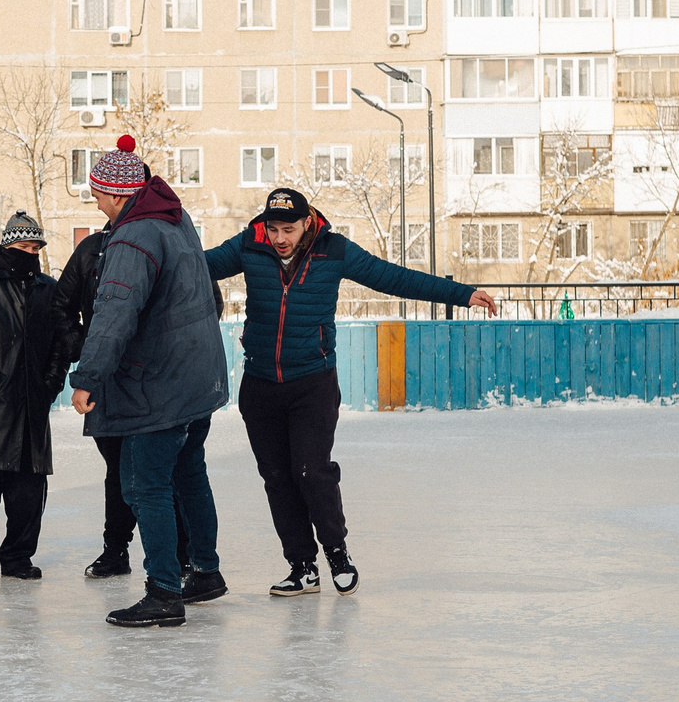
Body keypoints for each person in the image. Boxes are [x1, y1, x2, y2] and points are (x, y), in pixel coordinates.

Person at [204, 187, 498, 598]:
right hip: (260, 384)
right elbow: (197, 266)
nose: (280, 238)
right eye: (273, 229)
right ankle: (302, 567)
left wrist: (460, 293)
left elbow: (393, 277)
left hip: (313, 382)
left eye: (288, 229)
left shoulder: (334, 250)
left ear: (308, 222)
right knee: (277, 477)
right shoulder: (249, 245)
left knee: (311, 470)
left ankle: (337, 554)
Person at [68, 137, 230, 629]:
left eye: (97, 196)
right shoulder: (177, 223)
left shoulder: (133, 238)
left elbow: (113, 314)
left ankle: (163, 590)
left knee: (145, 484)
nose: (96, 205)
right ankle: (205, 570)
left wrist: (87, 377)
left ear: (117, 195)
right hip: (197, 378)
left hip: (158, 384)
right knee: (188, 472)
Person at [0, 211, 80, 580]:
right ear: (9, 245)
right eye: (24, 246)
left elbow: (61, 341)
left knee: (29, 492)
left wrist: (52, 382)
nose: (31, 252)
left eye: (36, 247)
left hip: (33, 405)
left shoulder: (47, 287)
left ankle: (18, 556)